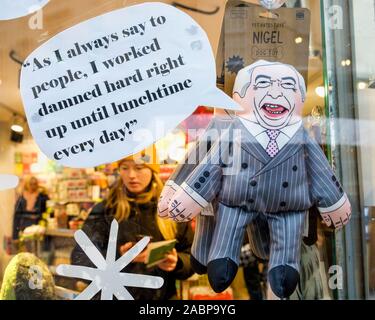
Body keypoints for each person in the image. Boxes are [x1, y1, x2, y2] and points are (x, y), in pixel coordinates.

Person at [71, 150, 194, 300]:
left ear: (152, 170)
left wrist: (177, 262)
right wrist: (118, 258)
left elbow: (192, 258)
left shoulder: (171, 210)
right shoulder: (105, 210)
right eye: (124, 168)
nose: (131, 175)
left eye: (139, 167)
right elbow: (79, 258)